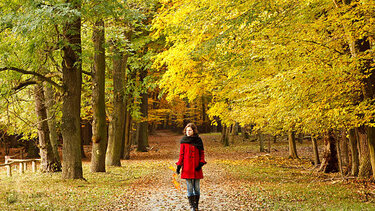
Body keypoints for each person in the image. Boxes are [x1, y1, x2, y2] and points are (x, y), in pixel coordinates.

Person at [176, 123, 206, 211]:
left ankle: (196, 206)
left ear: (193, 131)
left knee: (196, 187)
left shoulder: (198, 140)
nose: (188, 132)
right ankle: (193, 206)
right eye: (187, 130)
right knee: (189, 188)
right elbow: (181, 154)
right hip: (187, 167)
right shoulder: (183, 140)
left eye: (190, 130)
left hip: (197, 166)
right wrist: (179, 166)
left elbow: (202, 153)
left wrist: (201, 163)